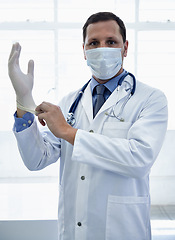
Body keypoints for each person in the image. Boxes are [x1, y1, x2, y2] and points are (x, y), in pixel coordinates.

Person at [8, 12, 168, 240]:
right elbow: (37, 160)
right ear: (84, 51)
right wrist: (23, 100)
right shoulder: (69, 102)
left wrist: (68, 131)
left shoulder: (150, 99)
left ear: (125, 48)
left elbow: (139, 159)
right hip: (75, 229)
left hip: (123, 230)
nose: (102, 48)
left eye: (111, 42)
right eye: (93, 43)